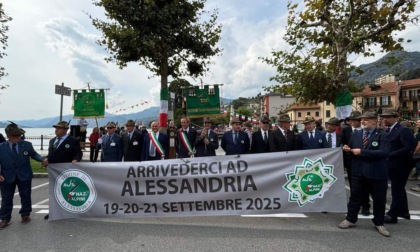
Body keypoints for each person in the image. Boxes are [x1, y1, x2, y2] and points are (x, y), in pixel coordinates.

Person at [338, 111, 391, 237]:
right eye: (362, 119)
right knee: (355, 197)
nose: (363, 121)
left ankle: (379, 222)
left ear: (374, 121)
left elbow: (384, 153)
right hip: (358, 172)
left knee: (379, 199)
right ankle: (350, 219)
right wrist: (347, 149)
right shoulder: (356, 134)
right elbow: (351, 149)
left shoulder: (383, 135)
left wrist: (362, 152)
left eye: (366, 119)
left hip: (376, 173)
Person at [0, 123, 46, 230]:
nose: (18, 137)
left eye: (19, 135)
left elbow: (34, 155)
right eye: (15, 136)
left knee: (25, 196)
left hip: (24, 175)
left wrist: (43, 159)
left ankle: (25, 215)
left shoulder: (27, 145)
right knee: (6, 198)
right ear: (8, 136)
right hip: (6, 177)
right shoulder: (1, 147)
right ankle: (5, 218)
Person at [380, 109, 416, 223]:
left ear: (395, 117)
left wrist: (390, 154)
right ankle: (404, 212)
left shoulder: (403, 130)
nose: (385, 119)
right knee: (399, 189)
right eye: (384, 117)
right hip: (392, 164)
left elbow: (407, 147)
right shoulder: (388, 130)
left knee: (397, 190)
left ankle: (392, 215)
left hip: (401, 165)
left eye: (388, 117)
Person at [43, 120, 83, 220]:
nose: (56, 130)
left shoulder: (73, 140)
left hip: (66, 171)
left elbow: (78, 153)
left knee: (67, 191)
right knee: (53, 192)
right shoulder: (52, 141)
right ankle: (53, 211)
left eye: (59, 128)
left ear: (65, 130)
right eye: (56, 128)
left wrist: (76, 159)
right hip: (53, 171)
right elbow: (51, 154)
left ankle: (69, 211)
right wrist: (46, 159)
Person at [340, 111, 371, 216]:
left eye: (359, 120)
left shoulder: (365, 131)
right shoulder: (346, 131)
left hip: (364, 162)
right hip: (351, 163)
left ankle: (365, 206)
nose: (358, 122)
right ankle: (354, 206)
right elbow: (343, 145)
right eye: (356, 120)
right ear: (351, 121)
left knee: (365, 185)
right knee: (354, 186)